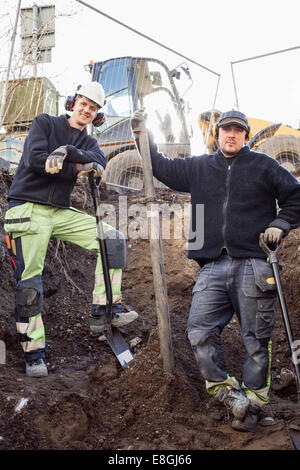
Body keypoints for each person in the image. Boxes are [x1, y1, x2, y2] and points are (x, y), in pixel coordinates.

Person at [131, 109, 300, 432]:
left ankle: (252, 403)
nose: (231, 135)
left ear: (246, 136)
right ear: (217, 134)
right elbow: (161, 166)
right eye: (226, 130)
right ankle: (227, 393)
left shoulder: (264, 166)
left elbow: (296, 198)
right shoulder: (199, 167)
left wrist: (281, 223)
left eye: (238, 131)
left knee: (256, 338)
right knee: (199, 330)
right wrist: (144, 135)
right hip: (212, 264)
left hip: (254, 261)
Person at [4, 81, 138, 378]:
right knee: (29, 285)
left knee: (111, 240)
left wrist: (66, 152)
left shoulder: (90, 141)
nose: (87, 110)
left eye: (93, 108)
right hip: (28, 208)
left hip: (60, 212)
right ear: (72, 102)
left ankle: (104, 312)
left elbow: (99, 163)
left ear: (98, 115)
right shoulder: (45, 123)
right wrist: (76, 165)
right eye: (84, 104)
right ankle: (34, 354)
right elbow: (36, 160)